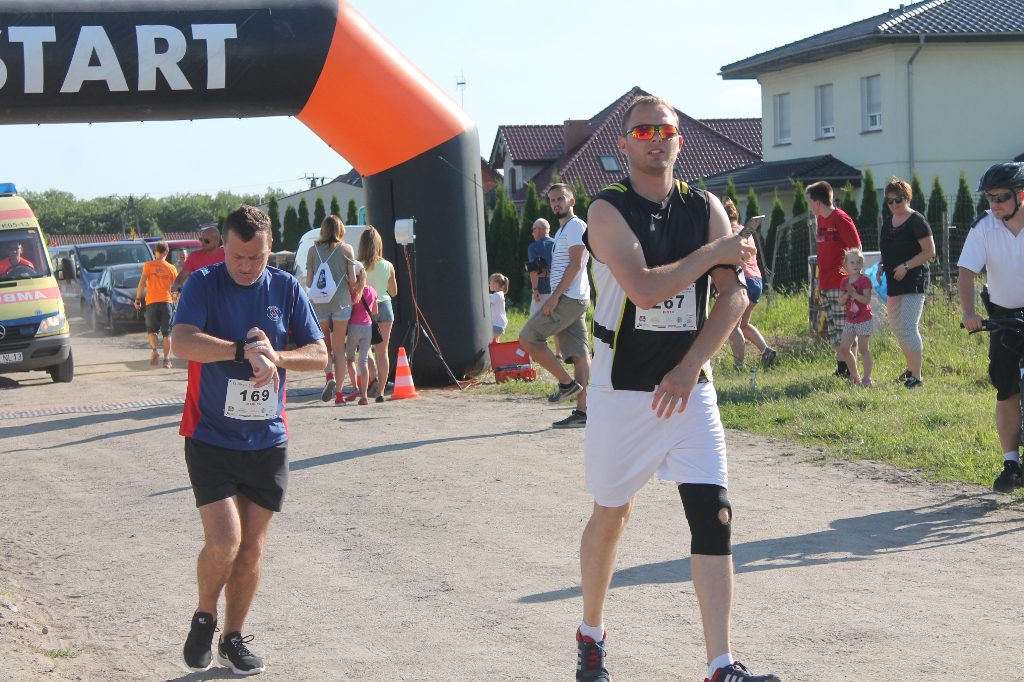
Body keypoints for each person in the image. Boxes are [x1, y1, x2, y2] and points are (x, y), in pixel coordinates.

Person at [579, 95, 778, 682]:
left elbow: (734, 296)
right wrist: (716, 252)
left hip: (689, 386)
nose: (655, 139)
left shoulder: (706, 205)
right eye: (643, 131)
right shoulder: (606, 209)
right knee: (612, 515)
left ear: (678, 141)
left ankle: (721, 664)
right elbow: (641, 288)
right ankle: (592, 634)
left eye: (665, 130)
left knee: (713, 514)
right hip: (623, 388)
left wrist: (691, 365)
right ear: (624, 144)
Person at [171, 205, 327, 675]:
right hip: (210, 435)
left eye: (256, 257)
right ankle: (204, 616)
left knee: (253, 548)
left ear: (269, 247)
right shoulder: (204, 283)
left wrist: (276, 357)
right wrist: (242, 350)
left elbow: (319, 354)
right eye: (239, 255)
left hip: (266, 438)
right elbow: (182, 342)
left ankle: (232, 638)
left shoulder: (284, 287)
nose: (246, 266)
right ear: (224, 245)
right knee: (225, 543)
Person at [958, 161, 1024, 494]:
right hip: (1003, 315)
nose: (994, 205)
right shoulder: (984, 227)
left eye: (1001, 198)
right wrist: (969, 312)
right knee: (1006, 387)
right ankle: (1011, 463)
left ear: (1020, 195)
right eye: (990, 198)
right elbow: (967, 272)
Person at [518, 183, 591, 429]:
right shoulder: (561, 232)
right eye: (552, 200)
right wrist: (546, 271)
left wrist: (554, 297)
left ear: (572, 202)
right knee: (580, 356)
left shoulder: (576, 226)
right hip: (572, 296)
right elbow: (566, 266)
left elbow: (577, 264)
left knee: (528, 337)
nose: (556, 203)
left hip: (568, 298)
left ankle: (566, 385)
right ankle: (582, 413)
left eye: (561, 199)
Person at [877, 177, 935, 388]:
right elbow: (885, 249)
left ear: (907, 198)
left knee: (909, 327)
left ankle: (917, 378)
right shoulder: (888, 222)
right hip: (894, 281)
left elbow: (930, 251)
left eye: (898, 200)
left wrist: (907, 266)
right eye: (890, 201)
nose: (894, 204)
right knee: (896, 326)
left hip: (913, 281)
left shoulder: (916, 220)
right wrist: (881, 266)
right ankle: (911, 369)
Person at [807, 180, 861, 378]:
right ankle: (842, 369)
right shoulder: (821, 219)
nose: (810, 205)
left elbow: (856, 248)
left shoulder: (841, 218)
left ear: (818, 202)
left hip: (841, 284)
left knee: (846, 329)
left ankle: (852, 372)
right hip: (826, 282)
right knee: (835, 330)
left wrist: (850, 280)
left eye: (810, 201)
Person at [305, 215, 358, 405]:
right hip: (341, 302)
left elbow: (310, 282)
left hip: (320, 303)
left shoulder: (313, 251)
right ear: (341, 230)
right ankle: (339, 395)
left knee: (324, 346)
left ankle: (329, 377)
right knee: (339, 349)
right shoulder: (347, 249)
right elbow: (352, 280)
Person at [722, 199, 776, 370]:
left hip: (743, 280)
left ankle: (738, 366)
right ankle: (766, 350)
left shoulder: (729, 233)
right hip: (757, 281)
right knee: (743, 324)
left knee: (733, 327)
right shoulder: (746, 232)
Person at [359, 226, 398, 403]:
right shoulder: (388, 265)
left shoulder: (358, 266)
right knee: (383, 352)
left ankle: (372, 377)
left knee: (365, 348)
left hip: (365, 309)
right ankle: (381, 392)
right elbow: (394, 291)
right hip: (385, 307)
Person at [135, 241, 178, 369]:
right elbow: (176, 286)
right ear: (167, 253)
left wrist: (138, 298)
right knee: (167, 332)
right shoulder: (171, 268)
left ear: (155, 251)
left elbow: (142, 282)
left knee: (152, 330)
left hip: (152, 302)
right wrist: (175, 295)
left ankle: (155, 350)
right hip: (166, 302)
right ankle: (167, 360)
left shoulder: (148, 265)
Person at [837, 248, 874, 386]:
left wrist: (853, 293)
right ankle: (854, 375)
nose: (855, 265)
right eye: (852, 262)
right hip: (850, 320)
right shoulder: (844, 282)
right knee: (844, 348)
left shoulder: (864, 280)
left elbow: (866, 300)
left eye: (858, 262)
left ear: (862, 265)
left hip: (863, 319)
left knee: (864, 349)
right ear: (846, 265)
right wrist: (847, 295)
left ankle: (867, 379)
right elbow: (841, 302)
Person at [528, 219, 561, 358]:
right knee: (558, 322)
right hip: (559, 290)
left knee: (535, 322)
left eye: (532, 230)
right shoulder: (558, 244)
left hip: (542, 290)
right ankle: (560, 353)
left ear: (538, 230)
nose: (532, 233)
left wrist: (535, 289)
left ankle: (539, 353)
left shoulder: (534, 246)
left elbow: (534, 270)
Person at [344, 269, 376, 405]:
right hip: (367, 327)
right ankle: (364, 396)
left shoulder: (351, 292)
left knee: (350, 358)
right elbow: (375, 311)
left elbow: (346, 311)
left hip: (354, 326)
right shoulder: (372, 291)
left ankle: (355, 388)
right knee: (363, 362)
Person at [172, 226, 225, 293]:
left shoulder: (227, 256)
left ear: (217, 241)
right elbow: (181, 277)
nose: (203, 243)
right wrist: (177, 284)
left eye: (207, 241)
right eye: (201, 240)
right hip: (200, 297)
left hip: (221, 296)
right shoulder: (194, 256)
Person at [489, 273, 509, 343]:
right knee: (495, 341)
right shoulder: (500, 294)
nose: (489, 285)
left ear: (496, 284)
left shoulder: (496, 295)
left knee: (494, 341)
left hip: (497, 322)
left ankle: (499, 353)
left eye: (490, 283)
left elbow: (488, 304)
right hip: (499, 322)